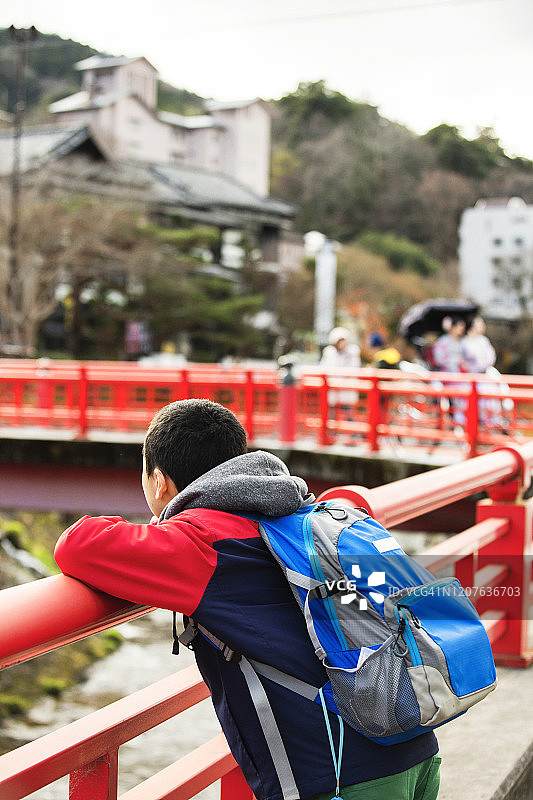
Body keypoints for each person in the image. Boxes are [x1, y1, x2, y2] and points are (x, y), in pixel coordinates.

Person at [54, 399, 441, 800]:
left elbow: (77, 544)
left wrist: (163, 523)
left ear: (158, 481)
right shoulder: (300, 512)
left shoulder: (201, 544)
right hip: (414, 747)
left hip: (340, 778)